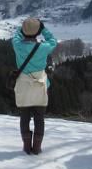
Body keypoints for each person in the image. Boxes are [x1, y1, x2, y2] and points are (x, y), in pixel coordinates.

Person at [11, 17, 57, 155]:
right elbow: (53, 41)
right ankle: (37, 147)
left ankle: (26, 146)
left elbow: (16, 36)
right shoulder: (43, 48)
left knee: (24, 117)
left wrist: (23, 28)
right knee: (39, 118)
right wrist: (42, 29)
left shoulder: (17, 45)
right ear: (37, 33)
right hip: (40, 85)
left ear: (24, 32)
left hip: (23, 86)